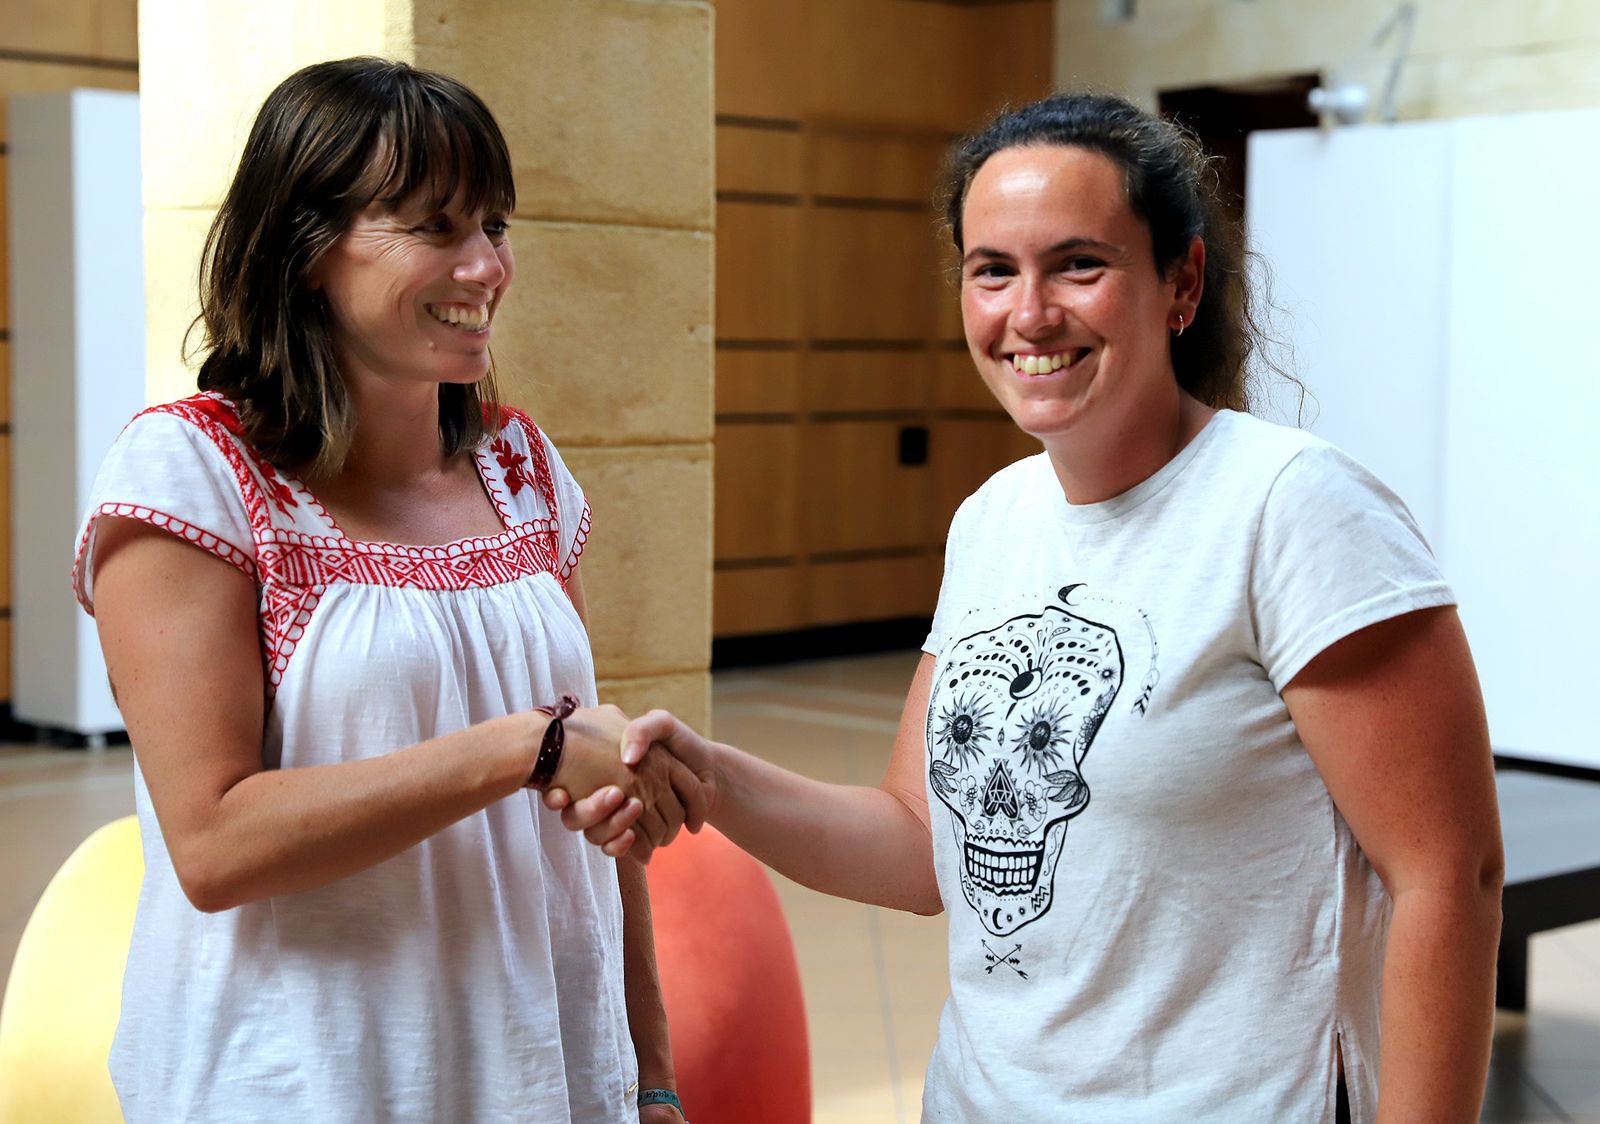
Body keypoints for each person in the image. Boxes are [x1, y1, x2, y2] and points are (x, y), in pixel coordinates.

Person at [558, 93, 1504, 1123]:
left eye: (1078, 264)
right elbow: (920, 842)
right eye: (993, 269)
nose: (1030, 312)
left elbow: (1449, 874)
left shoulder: (1291, 509)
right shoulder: (995, 517)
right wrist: (708, 773)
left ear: (1180, 281)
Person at [73, 57, 701, 1123]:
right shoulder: (194, 474)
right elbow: (216, 842)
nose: (485, 264)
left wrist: (647, 1076)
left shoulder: (523, 468)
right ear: (306, 249)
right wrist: (523, 746)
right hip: (304, 1080)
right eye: (435, 225)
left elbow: (596, 812)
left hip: (541, 1071)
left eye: (496, 225)